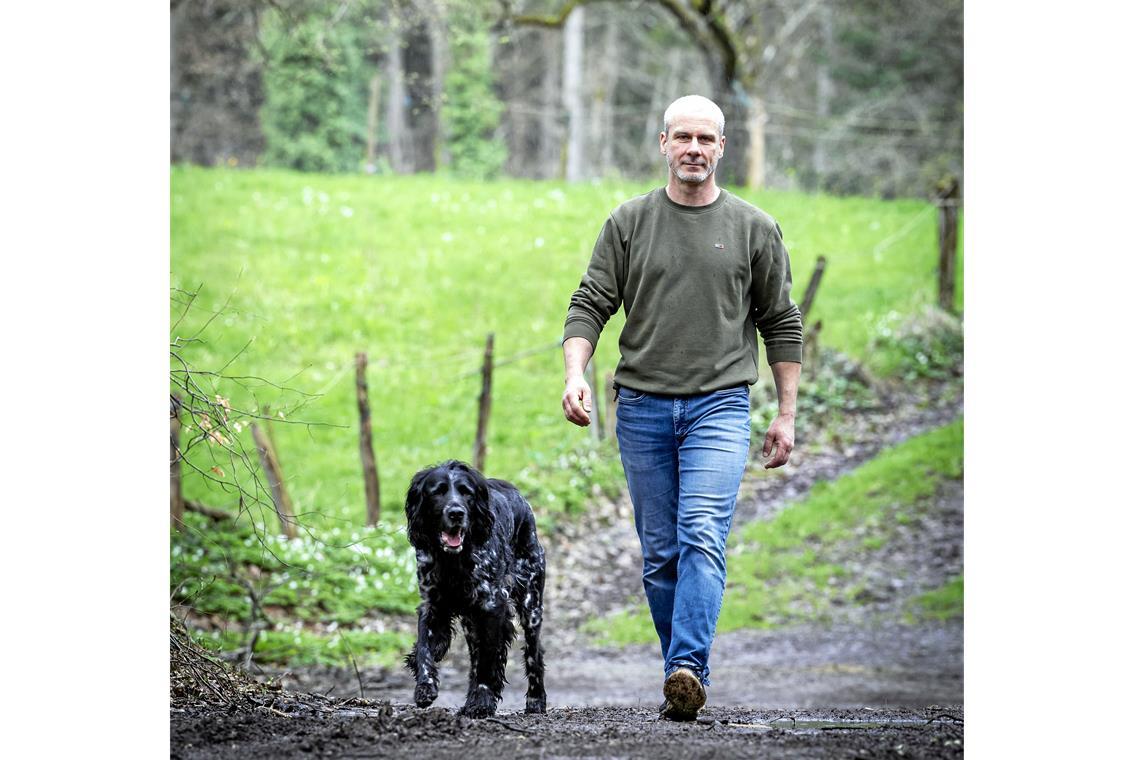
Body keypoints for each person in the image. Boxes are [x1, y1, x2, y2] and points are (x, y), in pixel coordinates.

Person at [560, 94, 803, 721]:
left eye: (706, 139)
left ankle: (687, 666)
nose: (694, 149)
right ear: (663, 144)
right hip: (640, 407)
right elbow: (590, 302)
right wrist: (575, 374)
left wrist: (786, 413)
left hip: (719, 407)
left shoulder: (754, 228)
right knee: (660, 551)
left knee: (701, 534)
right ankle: (683, 677)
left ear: (722, 148)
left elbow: (781, 321)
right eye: (682, 138)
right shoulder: (628, 223)